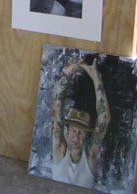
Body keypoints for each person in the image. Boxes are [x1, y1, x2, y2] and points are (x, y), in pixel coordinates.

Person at [50, 59, 110, 188]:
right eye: (74, 130)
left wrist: (96, 79)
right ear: (67, 130)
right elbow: (56, 110)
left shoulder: (90, 158)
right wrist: (67, 73)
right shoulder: (59, 151)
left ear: (87, 136)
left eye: (81, 132)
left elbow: (104, 120)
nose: (76, 137)